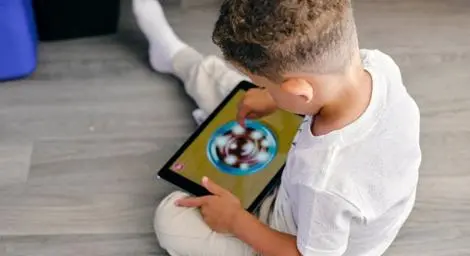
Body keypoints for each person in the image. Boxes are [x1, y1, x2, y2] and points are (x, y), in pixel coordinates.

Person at [133, 0, 422, 255]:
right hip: (306, 173)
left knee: (170, 219)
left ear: (299, 93)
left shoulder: (326, 182)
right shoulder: (376, 63)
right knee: (239, 93)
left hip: (290, 234)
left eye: (265, 84)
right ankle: (173, 57)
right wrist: (271, 96)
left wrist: (236, 220)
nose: (263, 88)